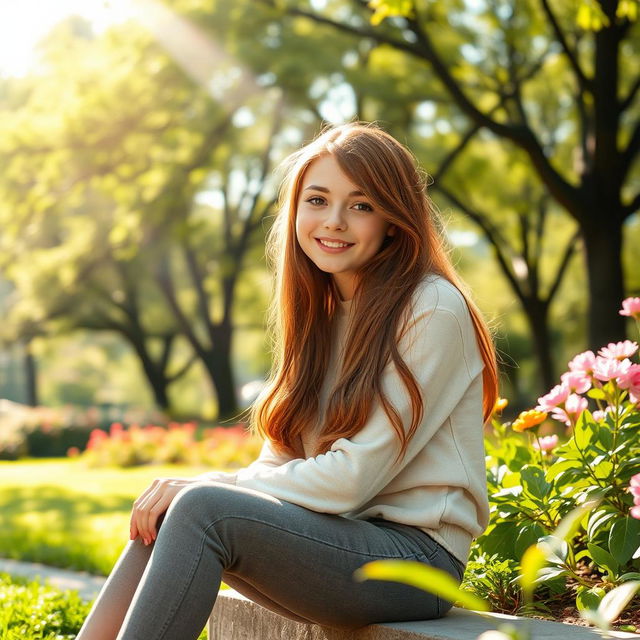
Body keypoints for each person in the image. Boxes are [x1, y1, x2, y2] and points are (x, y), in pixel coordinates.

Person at [76, 121, 498, 640]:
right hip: (337, 541)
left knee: (200, 506)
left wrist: (213, 484)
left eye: (361, 205)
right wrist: (205, 488)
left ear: (394, 219)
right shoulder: (321, 311)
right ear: (296, 210)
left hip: (416, 561)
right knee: (171, 508)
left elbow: (351, 480)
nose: (334, 221)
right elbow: (282, 457)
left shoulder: (431, 307)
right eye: (317, 200)